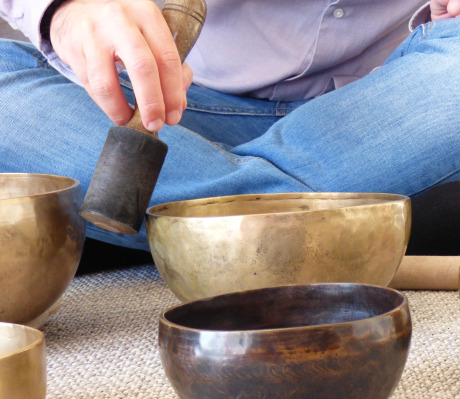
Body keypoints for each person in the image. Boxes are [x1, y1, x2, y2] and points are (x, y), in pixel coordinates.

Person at [0, 0, 459, 252]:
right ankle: (321, 220)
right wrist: (65, 10)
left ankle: (153, 219)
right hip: (173, 97)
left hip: (400, 88)